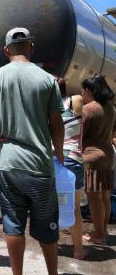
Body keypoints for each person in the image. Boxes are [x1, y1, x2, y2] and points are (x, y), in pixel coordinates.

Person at [0, 28, 68, 275]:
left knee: (13, 223)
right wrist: (59, 153)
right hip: (40, 164)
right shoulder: (47, 80)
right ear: (31, 48)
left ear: (7, 50)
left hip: (9, 163)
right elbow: (56, 124)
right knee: (47, 225)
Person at [81, 74, 116, 245]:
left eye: (84, 90)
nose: (82, 93)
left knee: (94, 199)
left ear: (89, 90)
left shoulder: (88, 109)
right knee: (105, 196)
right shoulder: (111, 108)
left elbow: (81, 135)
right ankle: (103, 231)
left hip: (92, 156)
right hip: (108, 154)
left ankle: (99, 235)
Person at [56, 77, 86, 259]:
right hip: (72, 160)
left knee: (50, 206)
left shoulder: (45, 108)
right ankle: (78, 251)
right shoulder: (75, 101)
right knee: (74, 207)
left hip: (51, 161)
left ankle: (53, 247)